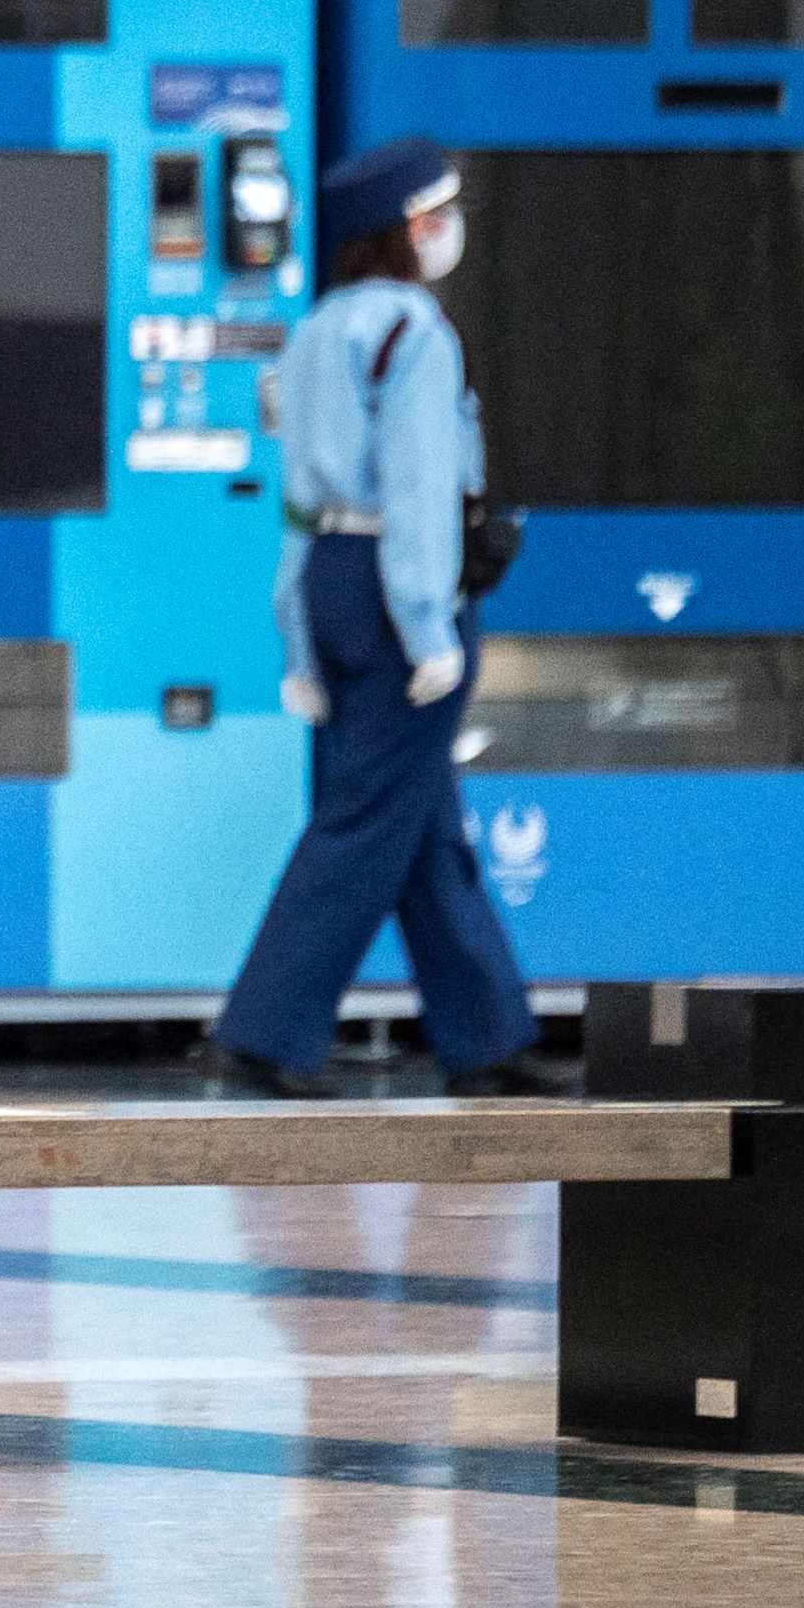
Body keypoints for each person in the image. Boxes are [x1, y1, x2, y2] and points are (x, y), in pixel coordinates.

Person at [203, 135, 562, 1102]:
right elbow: (419, 489)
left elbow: (297, 504)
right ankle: (263, 1032)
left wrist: (298, 637)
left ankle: (487, 1039)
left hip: (332, 576)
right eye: (435, 215)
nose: (449, 230)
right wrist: (430, 629)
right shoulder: (415, 332)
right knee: (367, 819)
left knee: (423, 823)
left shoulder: (318, 331)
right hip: (402, 585)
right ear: (401, 231)